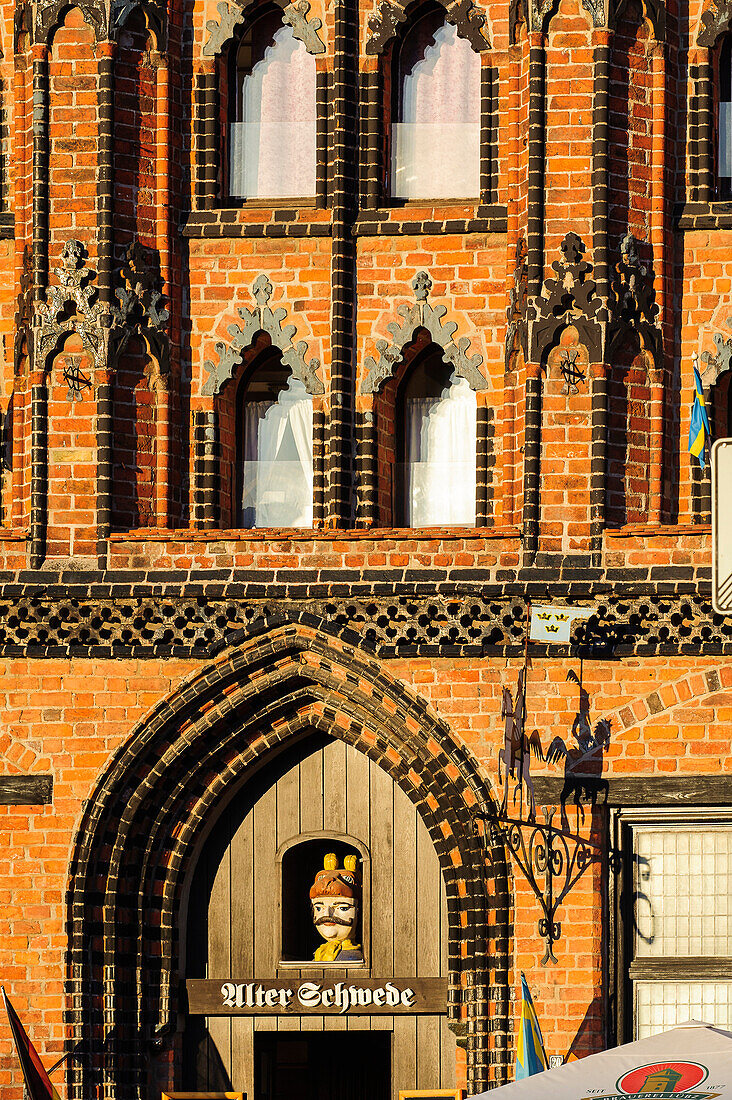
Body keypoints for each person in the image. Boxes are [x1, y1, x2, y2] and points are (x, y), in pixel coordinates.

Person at [309, 853, 363, 962]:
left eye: (343, 908)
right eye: (319, 908)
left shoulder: (351, 956)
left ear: (359, 912)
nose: (327, 915)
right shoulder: (321, 952)